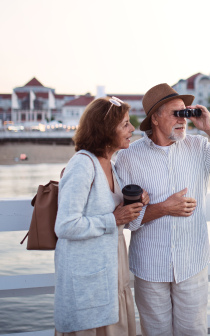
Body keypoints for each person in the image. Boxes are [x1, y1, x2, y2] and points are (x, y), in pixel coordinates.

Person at [115, 83, 210, 336]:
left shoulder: (198, 147)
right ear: (155, 118)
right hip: (150, 266)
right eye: (175, 114)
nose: (182, 120)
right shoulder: (128, 157)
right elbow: (128, 221)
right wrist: (164, 208)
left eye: (185, 112)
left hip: (192, 261)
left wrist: (209, 128)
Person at [54, 97, 149, 335]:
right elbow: (65, 226)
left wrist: (135, 204)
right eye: (125, 124)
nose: (132, 129)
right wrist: (114, 219)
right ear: (106, 130)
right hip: (88, 274)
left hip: (112, 268)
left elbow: (108, 210)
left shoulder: (110, 164)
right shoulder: (82, 165)